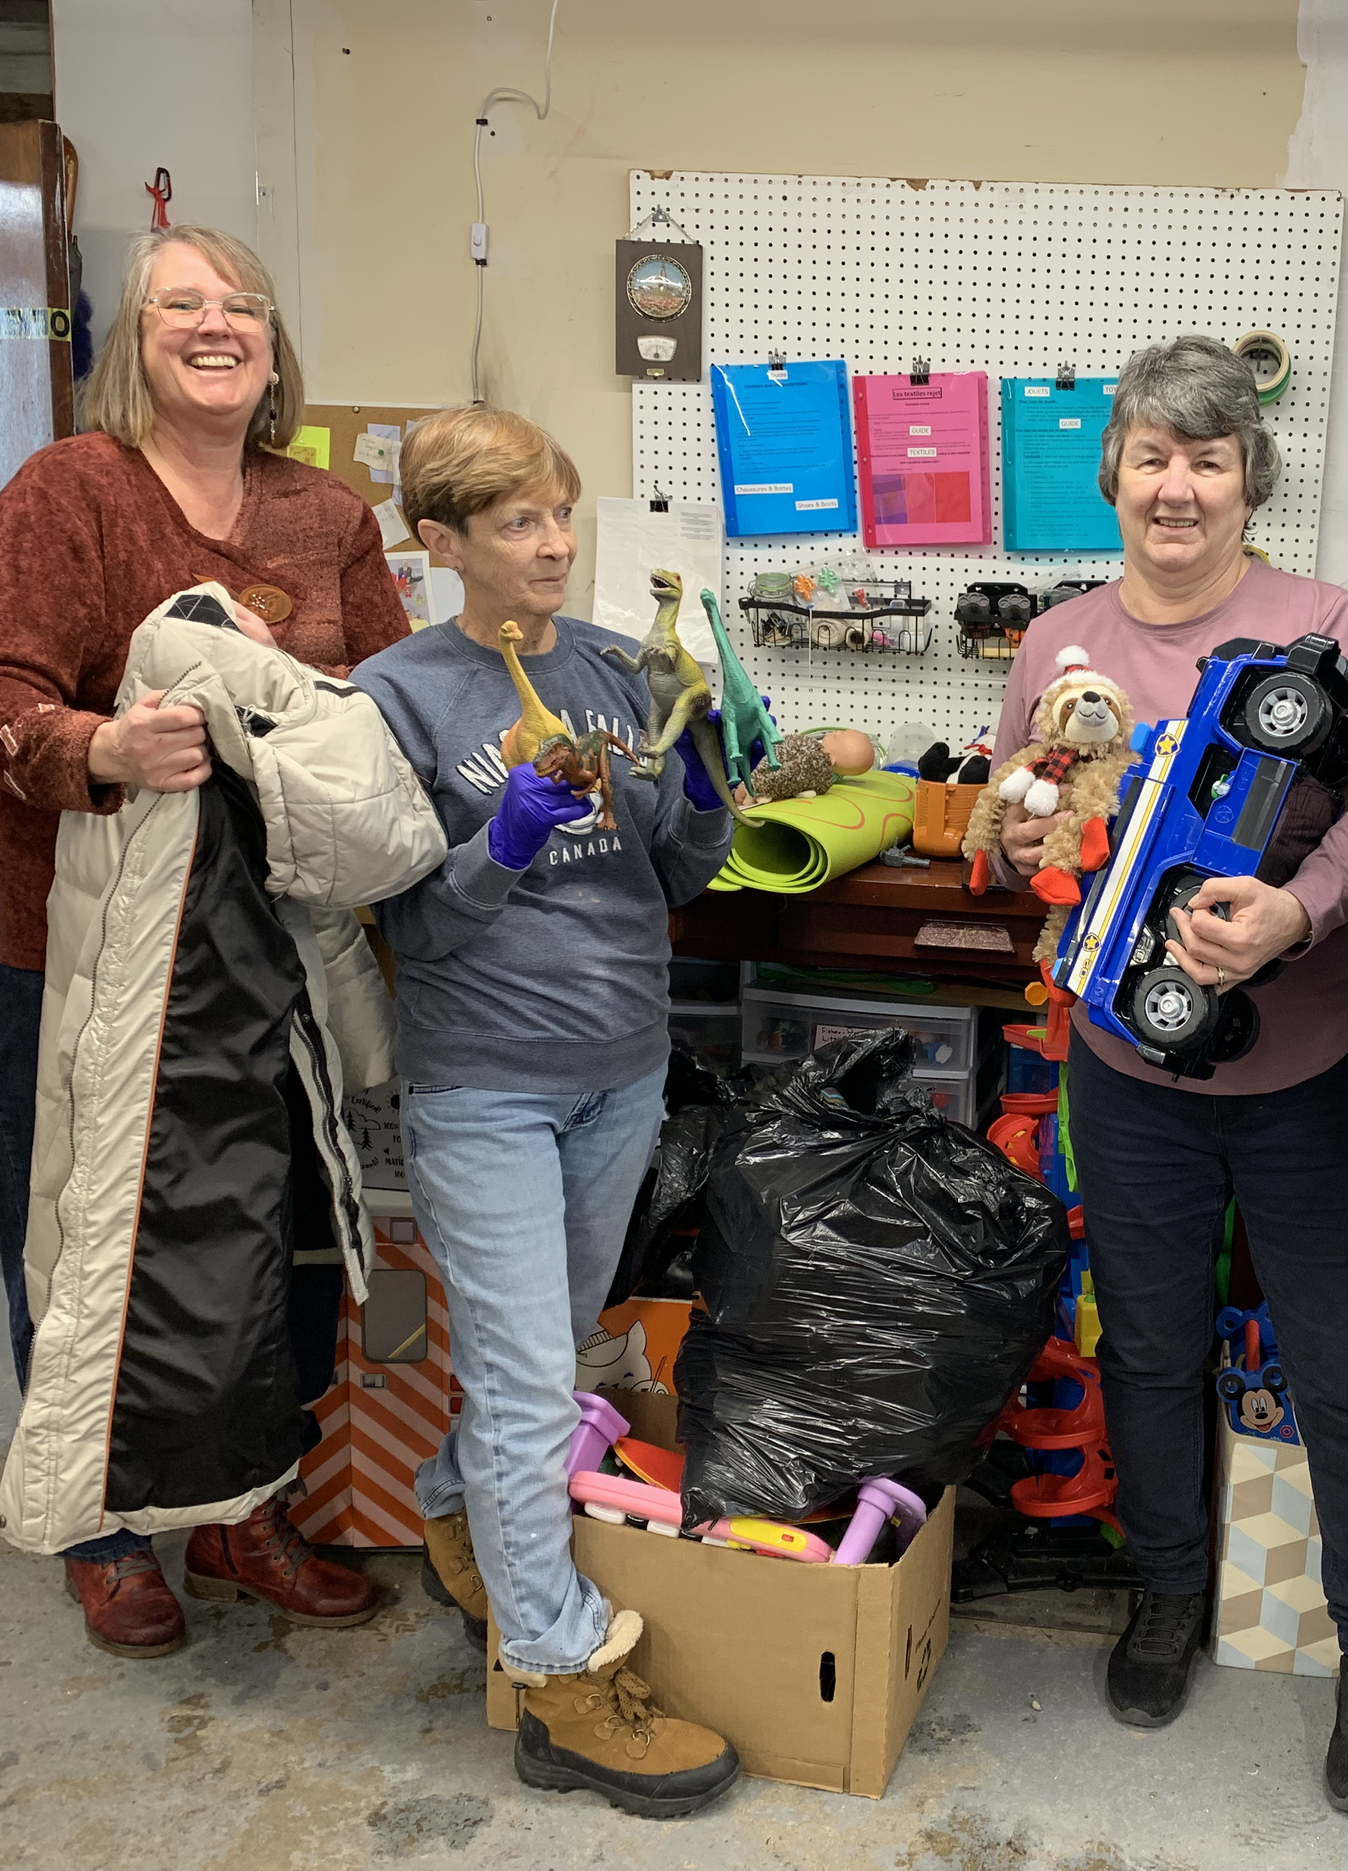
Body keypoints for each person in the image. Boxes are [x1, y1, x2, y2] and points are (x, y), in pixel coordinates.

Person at [0, 223, 409, 1658]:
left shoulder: (326, 515)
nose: (216, 326)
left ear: (275, 346)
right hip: (50, 925)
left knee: (261, 1226)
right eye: (180, 305)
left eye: (242, 306)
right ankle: (103, 1527)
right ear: (132, 341)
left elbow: (389, 694)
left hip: (257, 943)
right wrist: (107, 742)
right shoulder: (71, 490)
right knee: (87, 1226)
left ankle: (241, 1507)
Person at [987, 335, 1348, 1816]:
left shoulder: (1332, 623)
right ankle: (1167, 1592)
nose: (1179, 486)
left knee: (1347, 1370)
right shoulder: (1057, 641)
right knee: (1151, 1348)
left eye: (1210, 458)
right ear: (1112, 471)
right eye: (1154, 456)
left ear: (1252, 479)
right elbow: (1019, 812)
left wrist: (1296, 913)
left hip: (1315, 1059)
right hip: (1128, 1064)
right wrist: (1019, 840)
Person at [354, 406, 742, 1821]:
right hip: (485, 1086)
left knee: (548, 1353)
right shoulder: (394, 695)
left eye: (562, 513)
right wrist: (497, 841)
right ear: (440, 540)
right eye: (520, 521)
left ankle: (457, 1504)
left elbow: (678, 873)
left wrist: (702, 790)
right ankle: (560, 1679)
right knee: (528, 1387)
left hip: (619, 1069)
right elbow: (410, 922)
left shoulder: (614, 669)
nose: (557, 543)